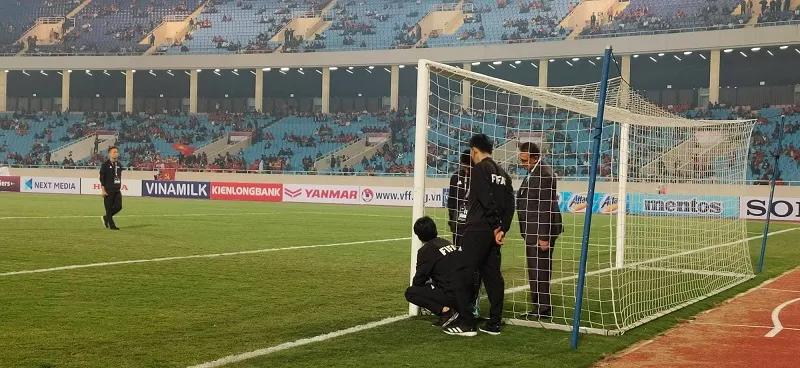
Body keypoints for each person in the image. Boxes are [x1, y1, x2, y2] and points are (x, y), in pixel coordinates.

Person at [447, 134, 514, 336]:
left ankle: (467, 323)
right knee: (492, 275)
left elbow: (486, 199)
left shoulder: (479, 170)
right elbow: (510, 205)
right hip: (495, 233)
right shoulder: (503, 173)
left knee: (461, 272)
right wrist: (502, 229)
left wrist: (494, 226)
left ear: (474, 151)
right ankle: (494, 323)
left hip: (478, 229)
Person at [516, 142, 563, 319]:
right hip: (532, 229)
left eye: (525, 160)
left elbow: (546, 207)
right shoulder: (534, 172)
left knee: (540, 269)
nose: (522, 163)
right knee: (535, 269)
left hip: (540, 231)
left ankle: (543, 309)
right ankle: (538, 306)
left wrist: (544, 236)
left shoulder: (544, 174)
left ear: (535, 158)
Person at [404, 216, 472, 330]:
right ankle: (458, 310)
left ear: (419, 235)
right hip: (469, 293)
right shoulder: (445, 242)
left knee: (411, 292)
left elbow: (419, 280)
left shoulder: (425, 251)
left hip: (453, 295)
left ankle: (447, 312)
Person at [100, 146, 123, 230]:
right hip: (108, 190)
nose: (116, 153)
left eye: (117, 152)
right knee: (109, 208)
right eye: (114, 152)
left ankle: (106, 217)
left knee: (118, 207)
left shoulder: (119, 165)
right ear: (109, 154)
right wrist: (103, 190)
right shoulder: (105, 165)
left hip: (117, 189)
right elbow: (102, 178)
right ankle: (112, 225)